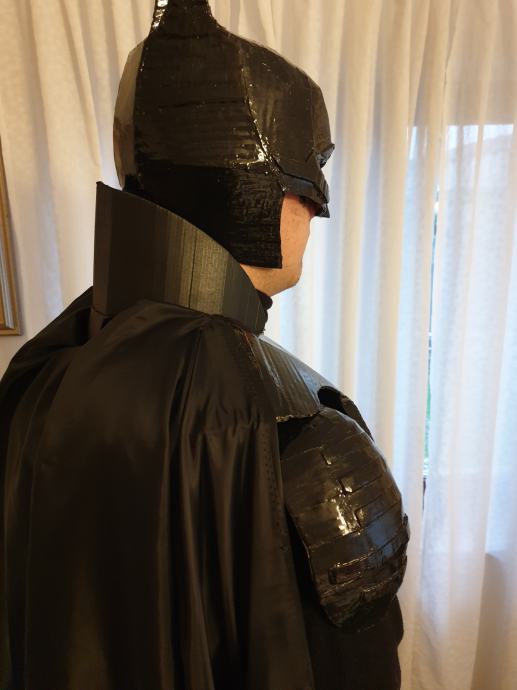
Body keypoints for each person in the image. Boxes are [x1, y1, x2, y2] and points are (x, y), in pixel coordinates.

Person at [0, 1, 409, 688]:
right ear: (259, 180)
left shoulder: (40, 374)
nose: (318, 209)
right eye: (311, 169)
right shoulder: (304, 431)